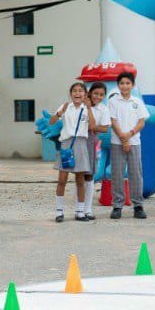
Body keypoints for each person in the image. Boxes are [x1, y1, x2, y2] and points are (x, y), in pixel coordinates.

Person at [107, 71, 148, 220]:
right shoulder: (113, 101)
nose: (125, 86)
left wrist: (129, 135)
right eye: (122, 83)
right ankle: (117, 206)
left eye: (128, 83)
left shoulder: (137, 102)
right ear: (118, 85)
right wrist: (123, 139)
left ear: (133, 85)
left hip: (135, 142)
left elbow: (141, 122)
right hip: (117, 142)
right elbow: (113, 121)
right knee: (117, 173)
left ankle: (138, 206)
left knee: (136, 173)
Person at [49, 82, 92, 222]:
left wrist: (90, 108)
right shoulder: (65, 106)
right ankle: (59, 212)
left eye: (80, 91)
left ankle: (80, 212)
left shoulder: (87, 109)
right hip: (66, 144)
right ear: (71, 93)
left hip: (80, 143)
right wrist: (59, 113)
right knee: (62, 180)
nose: (77, 93)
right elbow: (52, 121)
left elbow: (93, 126)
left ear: (85, 94)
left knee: (80, 181)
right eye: (74, 91)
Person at [78, 82, 111, 221]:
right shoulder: (79, 105)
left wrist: (92, 127)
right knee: (79, 175)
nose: (98, 96)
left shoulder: (103, 109)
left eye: (101, 94)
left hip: (91, 141)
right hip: (79, 140)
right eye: (96, 93)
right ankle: (79, 209)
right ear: (90, 92)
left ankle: (88, 209)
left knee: (90, 175)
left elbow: (104, 128)